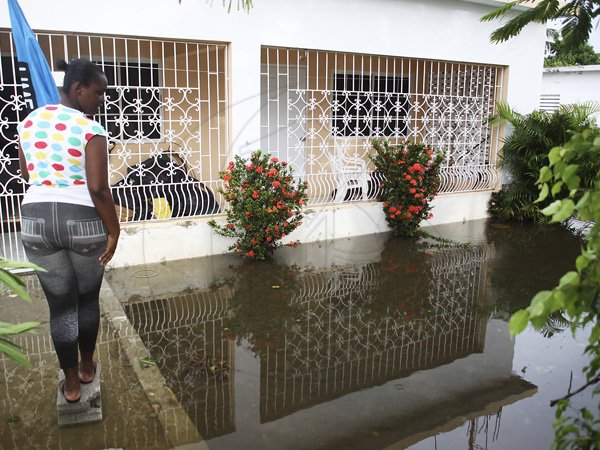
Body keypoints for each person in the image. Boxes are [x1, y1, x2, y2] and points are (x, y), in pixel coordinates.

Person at [17, 58, 120, 403]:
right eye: (98, 92)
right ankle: (88, 368)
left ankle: (72, 385)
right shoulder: (90, 129)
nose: (101, 100)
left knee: (61, 307)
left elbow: (28, 173)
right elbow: (98, 188)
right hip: (82, 220)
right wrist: (114, 230)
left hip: (35, 220)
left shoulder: (29, 121)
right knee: (87, 300)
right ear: (77, 88)